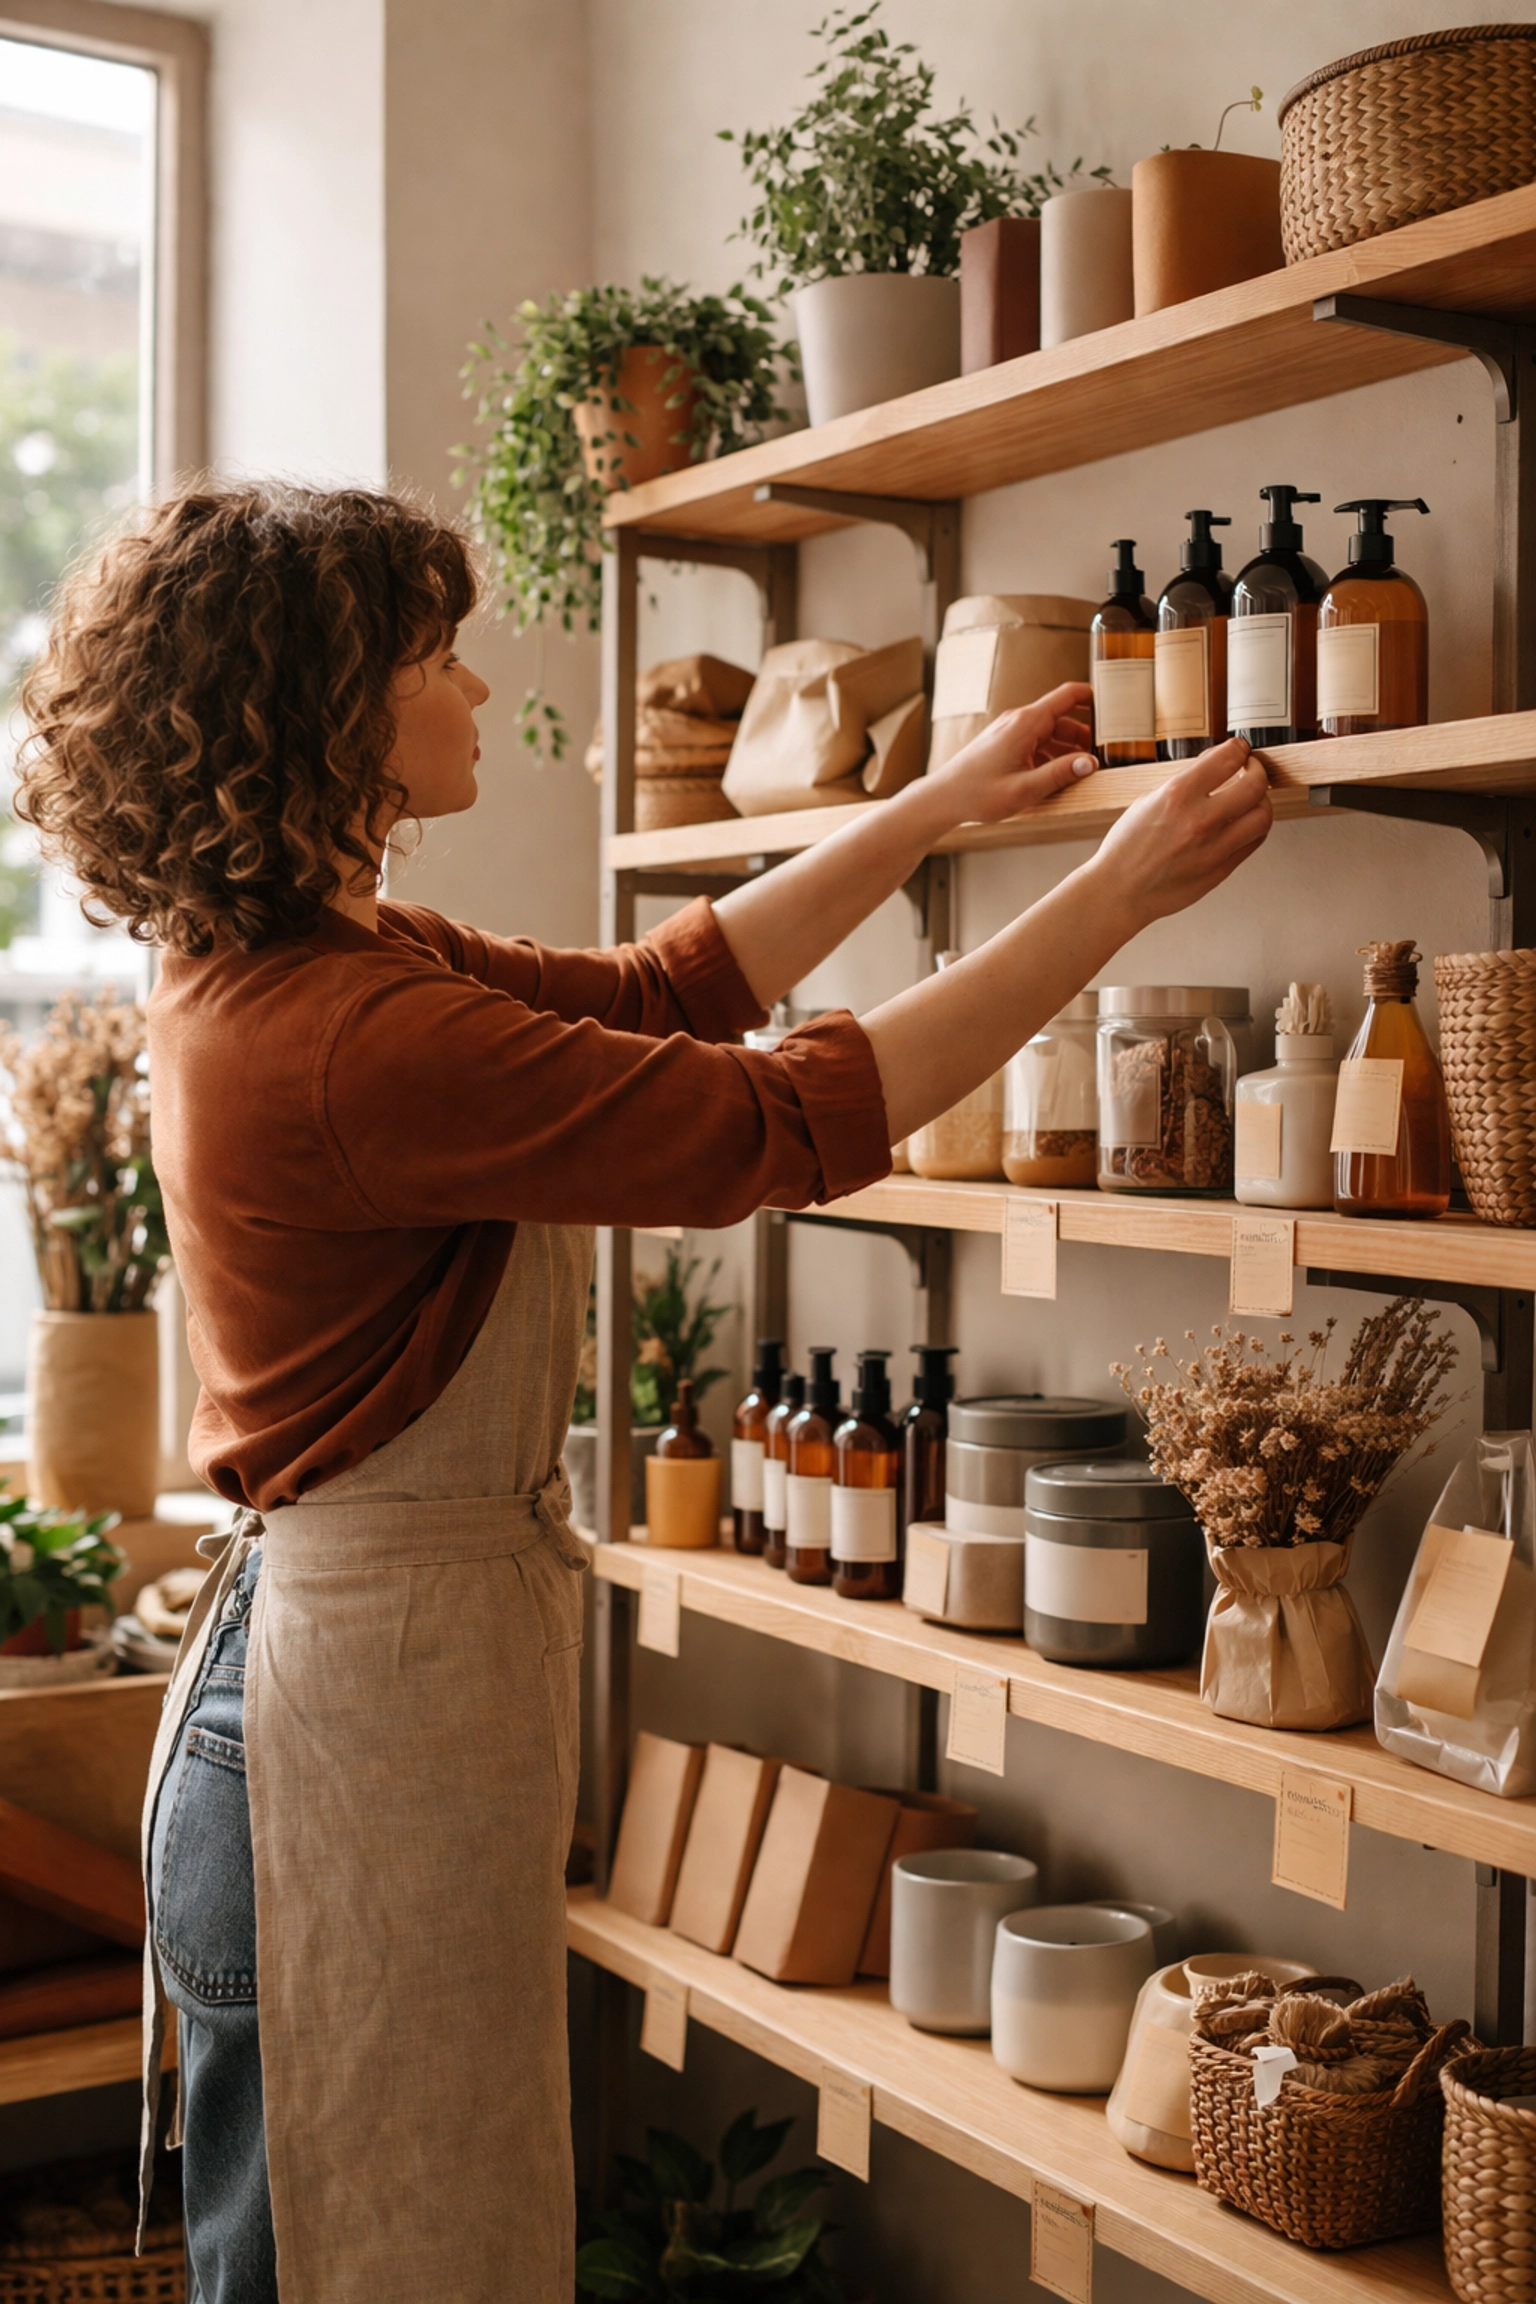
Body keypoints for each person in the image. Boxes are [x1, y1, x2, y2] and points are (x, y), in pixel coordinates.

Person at [14, 482, 1270, 2304]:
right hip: (334, 1745)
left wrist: (935, 808)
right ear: (326, 712)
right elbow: (772, 1119)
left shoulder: (318, 967)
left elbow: (666, 988)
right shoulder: (353, 1037)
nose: (472, 684)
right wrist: (1114, 890)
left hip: (347, 1693)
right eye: (431, 656)